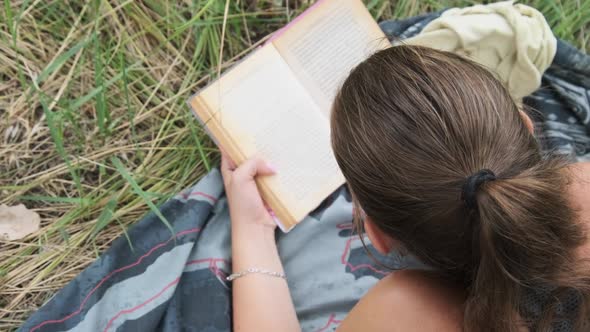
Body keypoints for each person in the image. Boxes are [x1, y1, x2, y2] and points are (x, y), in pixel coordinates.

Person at [220, 45, 590, 332]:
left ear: (377, 235)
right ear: (527, 127)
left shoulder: (410, 312)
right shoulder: (583, 182)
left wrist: (252, 230)